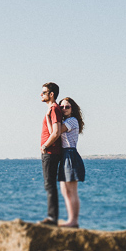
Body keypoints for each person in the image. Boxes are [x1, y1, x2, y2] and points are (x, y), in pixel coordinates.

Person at [56, 97, 86, 227]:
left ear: (72, 109)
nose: (64, 109)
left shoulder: (72, 121)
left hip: (70, 154)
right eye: (61, 107)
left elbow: (56, 132)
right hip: (64, 155)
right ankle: (71, 220)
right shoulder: (65, 121)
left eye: (67, 107)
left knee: (72, 190)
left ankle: (74, 221)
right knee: (64, 191)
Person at [39, 82, 64, 224]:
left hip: (50, 152)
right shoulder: (53, 109)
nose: (41, 94)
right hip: (51, 151)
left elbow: (56, 132)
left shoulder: (54, 109)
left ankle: (52, 218)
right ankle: (52, 217)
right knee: (50, 184)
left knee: (49, 184)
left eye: (44, 92)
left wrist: (45, 146)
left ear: (51, 94)